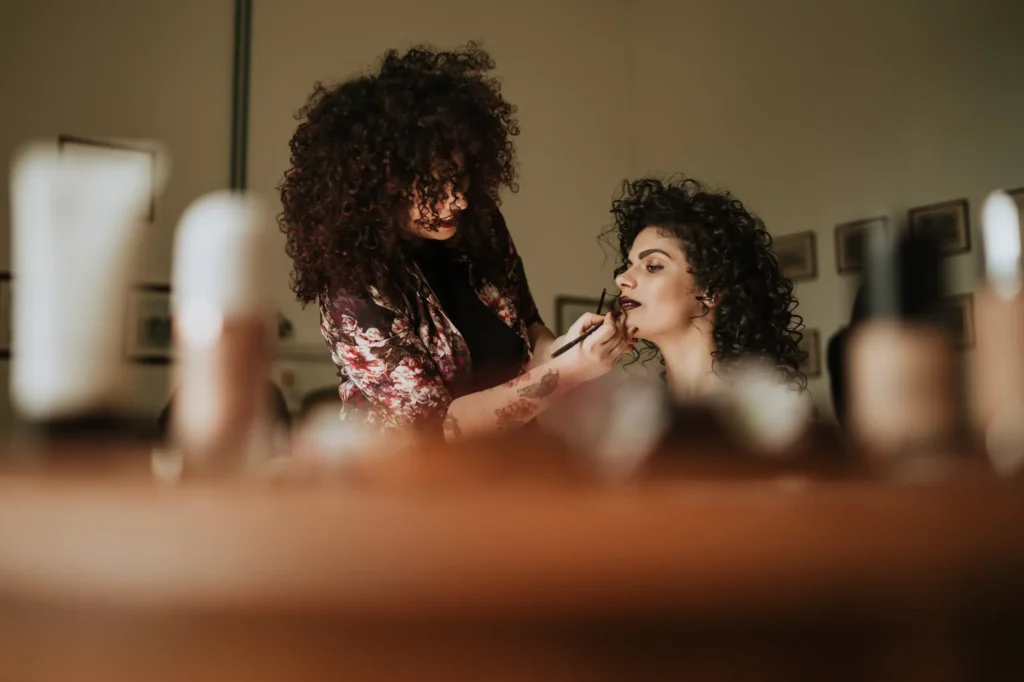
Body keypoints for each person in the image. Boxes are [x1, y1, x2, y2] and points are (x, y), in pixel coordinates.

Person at [278, 43, 632, 441]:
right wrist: (567, 373)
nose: (457, 199)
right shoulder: (354, 293)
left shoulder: (480, 224)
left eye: (460, 178)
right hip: (410, 488)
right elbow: (442, 428)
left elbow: (531, 329)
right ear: (378, 191)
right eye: (432, 187)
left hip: (512, 469)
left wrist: (570, 348)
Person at [603, 176, 807, 399]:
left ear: (712, 290)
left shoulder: (759, 418)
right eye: (628, 265)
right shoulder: (635, 415)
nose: (622, 279)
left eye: (652, 266)